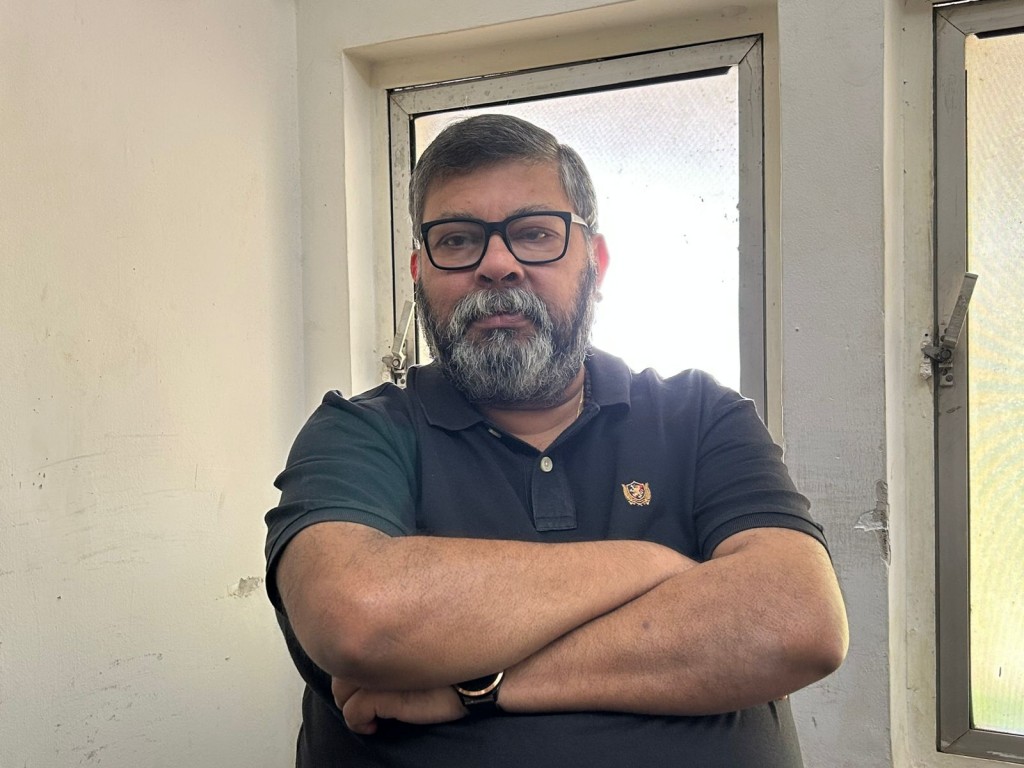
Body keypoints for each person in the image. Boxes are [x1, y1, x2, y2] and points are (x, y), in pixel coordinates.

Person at [264, 114, 848, 767]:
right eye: (457, 240)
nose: (497, 265)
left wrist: (477, 687)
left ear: (596, 263)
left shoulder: (702, 416)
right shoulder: (361, 431)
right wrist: (649, 566)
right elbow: (359, 616)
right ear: (420, 272)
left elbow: (797, 622)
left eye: (535, 234)